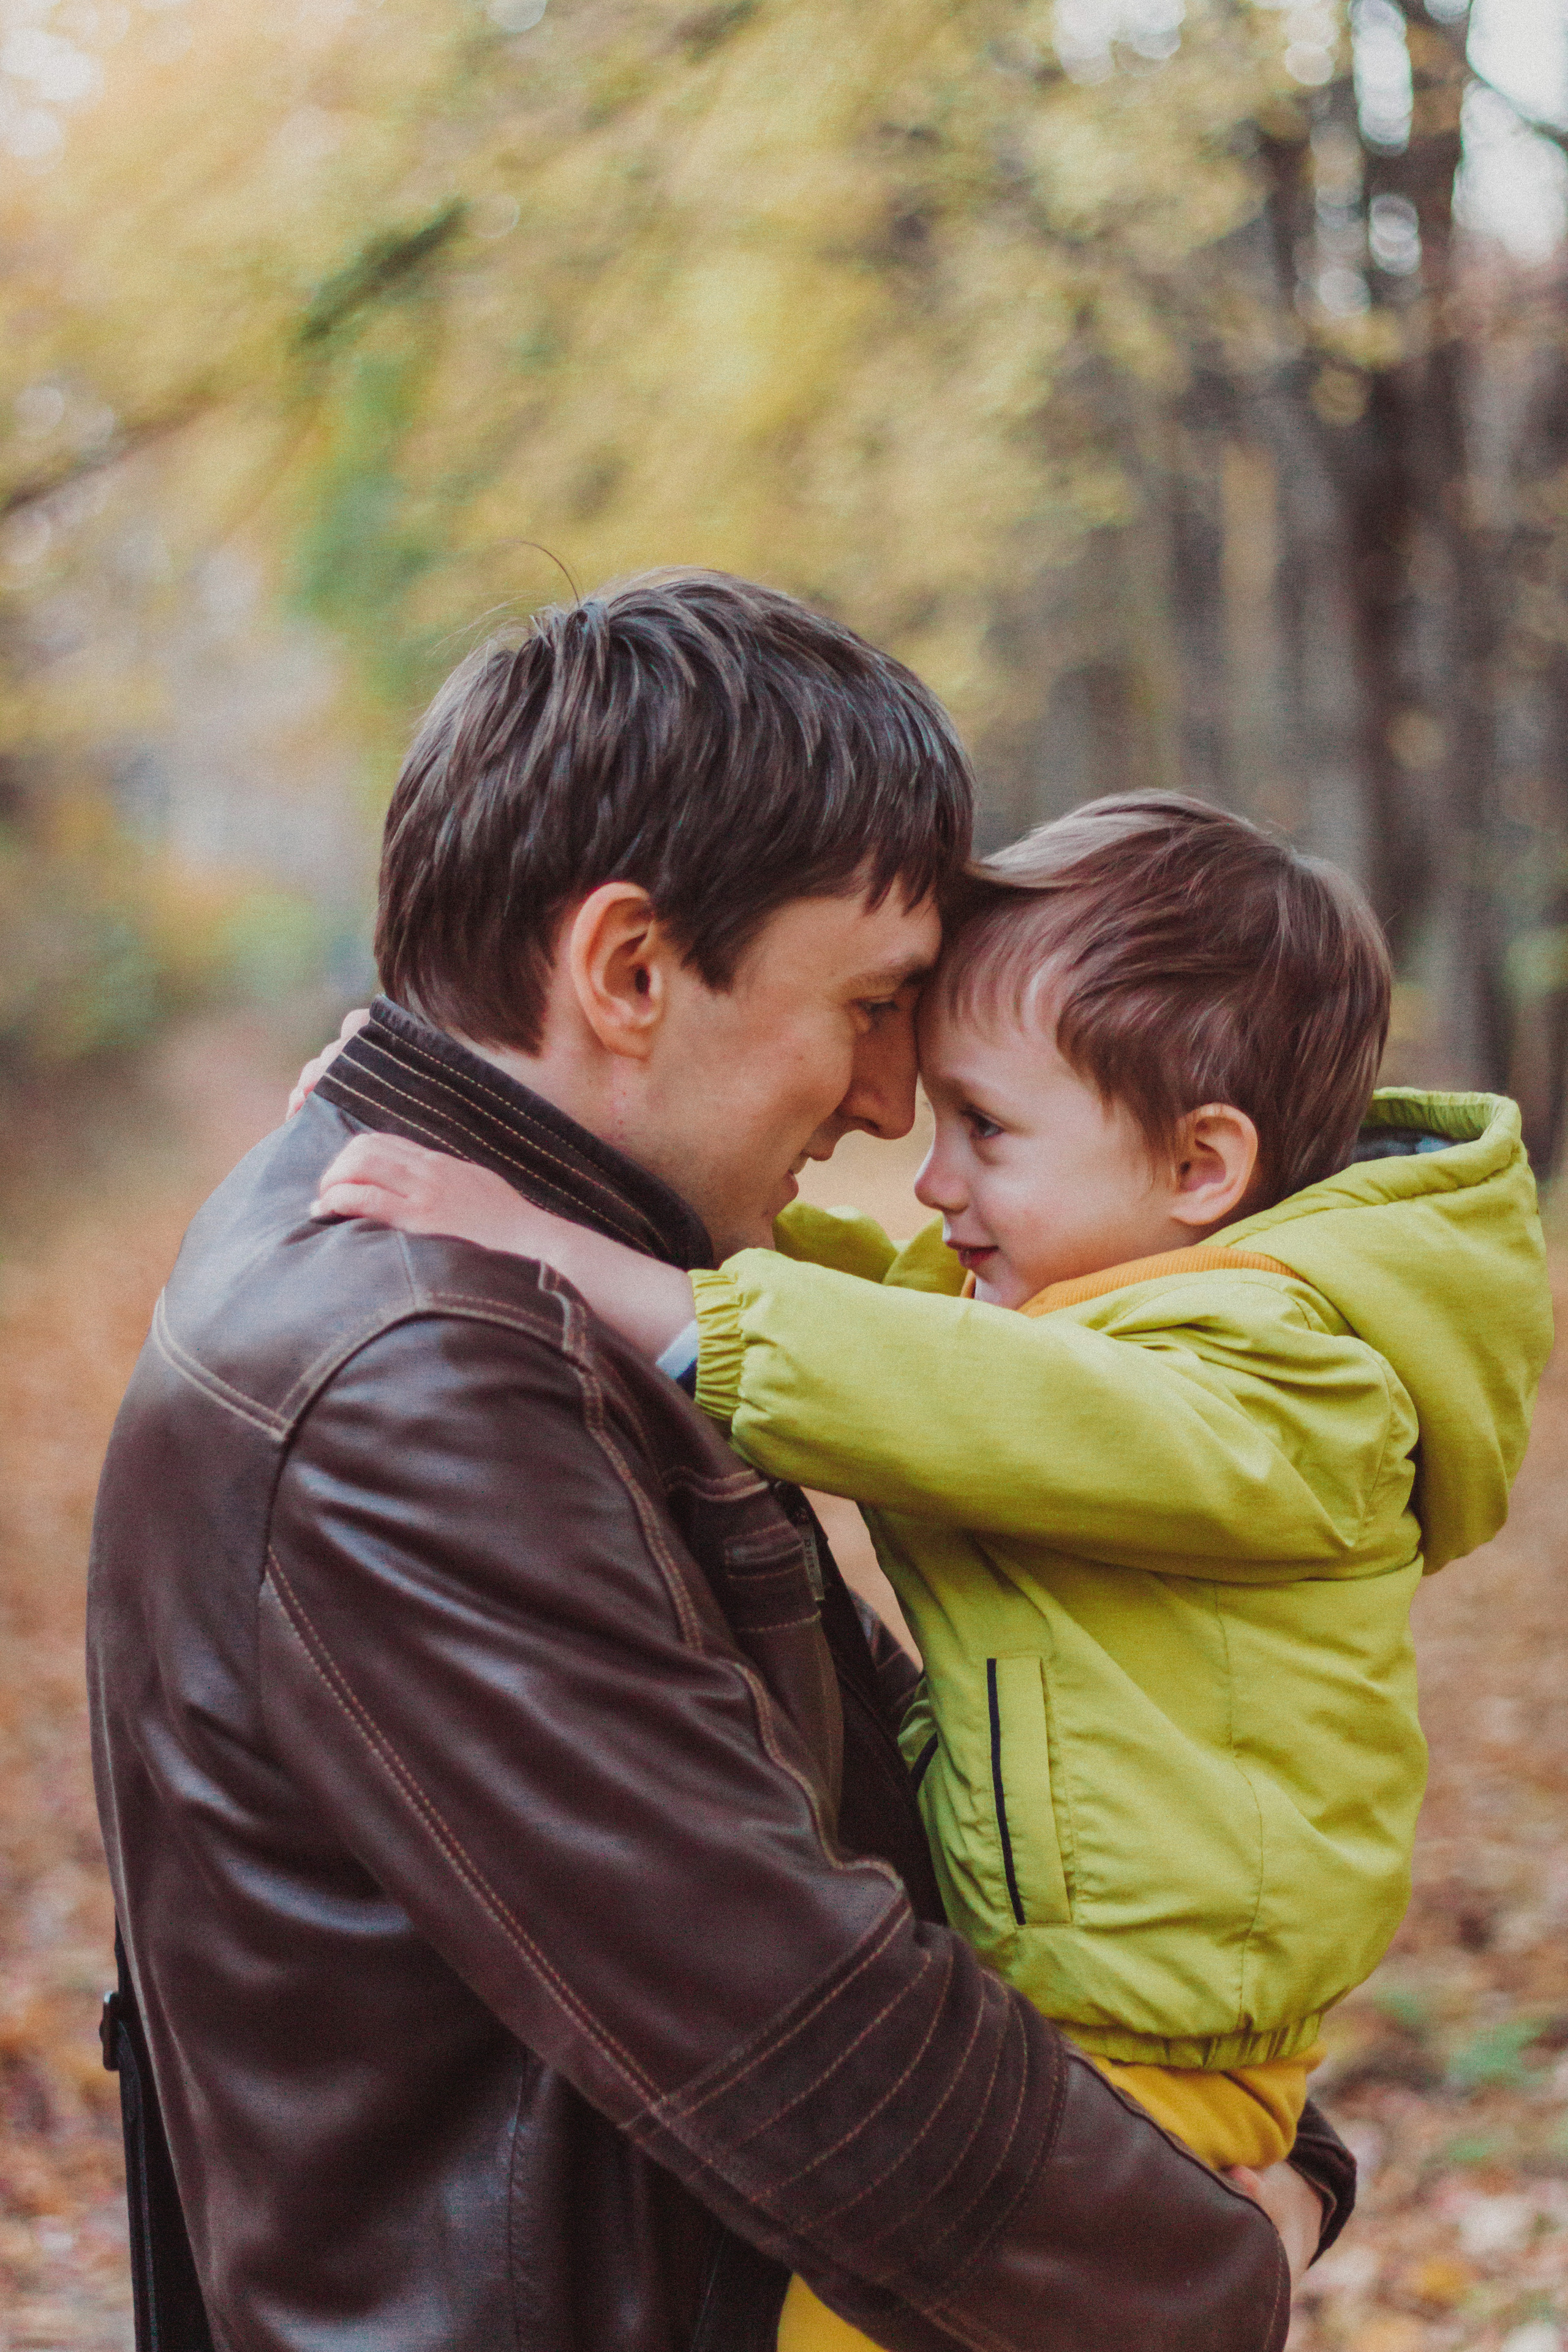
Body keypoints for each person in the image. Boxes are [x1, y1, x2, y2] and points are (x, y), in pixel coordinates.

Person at [91, 575, 1349, 2352]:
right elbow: (809, 2033)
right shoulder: (419, 1384)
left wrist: (1257, 2123)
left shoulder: (493, 1255)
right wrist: (1230, 2267)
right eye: (872, 1004)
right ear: (627, 971)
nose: (894, 1104)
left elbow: (869, 1807)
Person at [309, 786, 1549, 2344]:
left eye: (987, 1128)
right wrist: (539, 1174)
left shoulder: (1270, 1379)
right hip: (1087, 2016)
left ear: (1199, 1167)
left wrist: (596, 1268)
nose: (930, 1175)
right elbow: (915, 1321)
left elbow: (969, 1394)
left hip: (1144, 2048)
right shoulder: (1136, 1314)